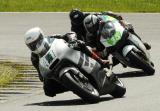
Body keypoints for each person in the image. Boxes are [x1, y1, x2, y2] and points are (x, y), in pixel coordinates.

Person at [24, 27, 109, 97]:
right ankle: (73, 85)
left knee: (80, 43)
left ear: (41, 37)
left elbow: (69, 34)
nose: (35, 46)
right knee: (48, 91)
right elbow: (40, 74)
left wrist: (72, 40)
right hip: (54, 70)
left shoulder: (52, 38)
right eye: (31, 45)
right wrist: (44, 76)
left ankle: (100, 61)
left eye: (36, 43)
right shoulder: (34, 57)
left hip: (67, 55)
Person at [83, 14, 151, 65]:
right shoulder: (89, 36)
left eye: (93, 26)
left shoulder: (102, 17)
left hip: (115, 32)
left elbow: (115, 17)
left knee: (129, 26)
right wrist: (95, 49)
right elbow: (91, 46)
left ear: (97, 21)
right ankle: (121, 61)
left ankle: (142, 42)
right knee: (105, 59)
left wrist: (120, 20)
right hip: (107, 45)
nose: (92, 28)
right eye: (90, 28)